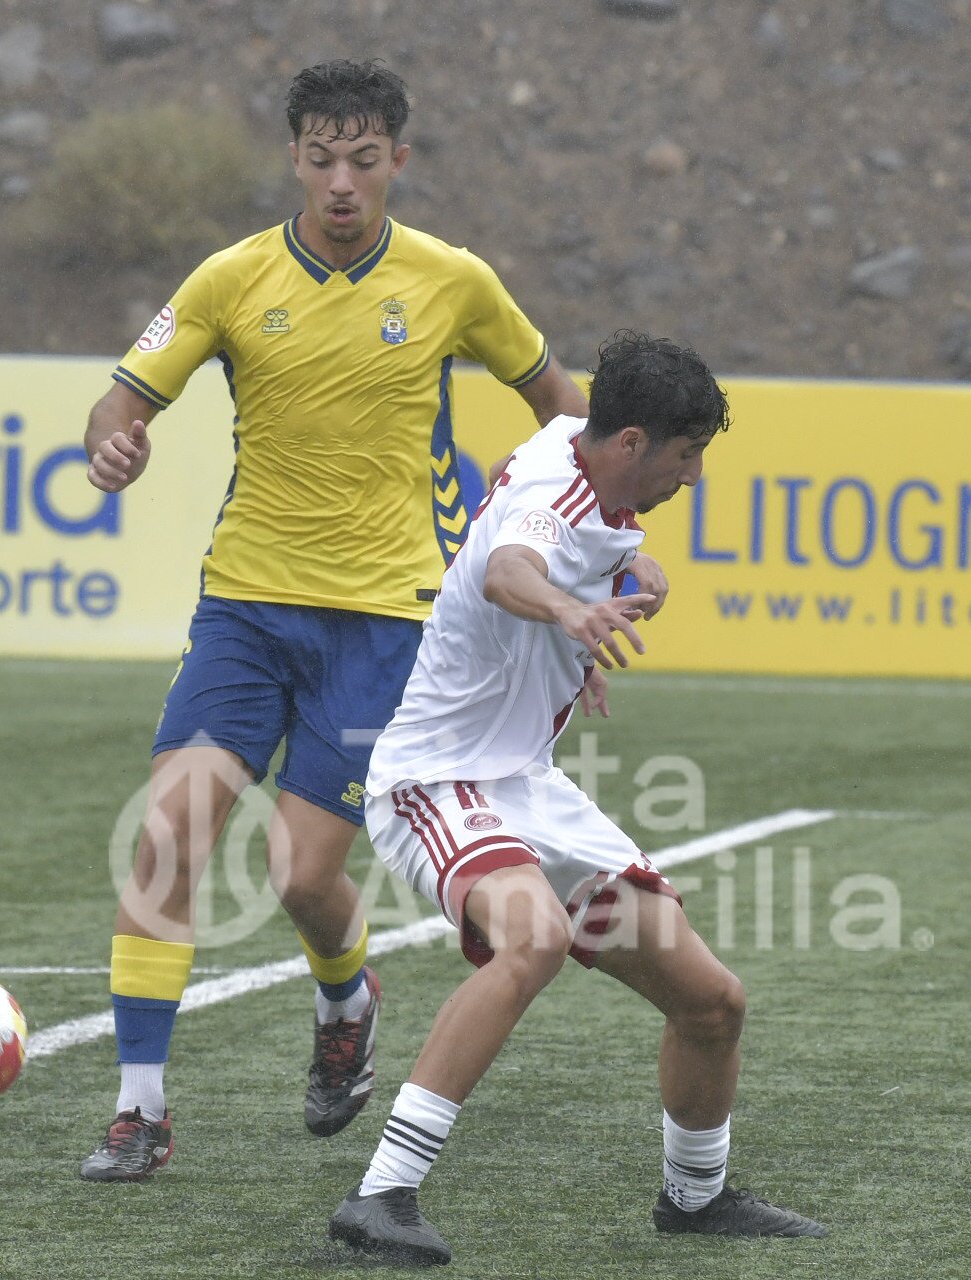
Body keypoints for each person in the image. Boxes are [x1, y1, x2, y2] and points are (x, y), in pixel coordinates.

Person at [74, 59, 625, 1180]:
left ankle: (346, 997)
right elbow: (121, 399)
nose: (340, 182)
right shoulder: (231, 278)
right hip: (246, 607)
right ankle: (140, 1112)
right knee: (171, 830)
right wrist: (113, 443)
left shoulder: (453, 281)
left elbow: (563, 413)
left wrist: (593, 550)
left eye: (363, 161)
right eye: (321, 159)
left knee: (300, 874)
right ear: (294, 159)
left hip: (386, 626)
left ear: (397, 163)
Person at [327, 332, 826, 1264]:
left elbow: (544, 525)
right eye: (688, 455)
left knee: (712, 1001)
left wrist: (607, 594)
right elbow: (508, 566)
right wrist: (571, 612)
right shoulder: (550, 494)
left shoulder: (575, 439)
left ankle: (695, 1197)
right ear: (632, 441)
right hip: (439, 779)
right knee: (537, 939)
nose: (696, 475)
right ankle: (381, 1194)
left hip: (527, 785)